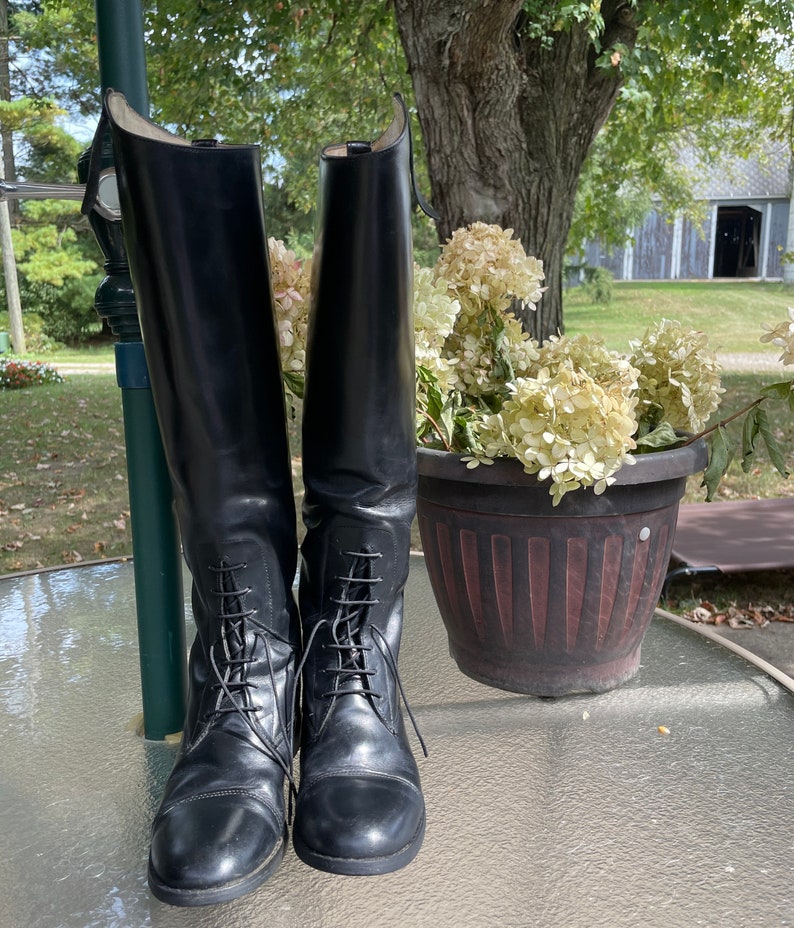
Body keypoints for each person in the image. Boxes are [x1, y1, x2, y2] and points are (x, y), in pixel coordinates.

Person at [92, 90, 426, 907]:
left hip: (353, 670)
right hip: (235, 680)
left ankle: (345, 670)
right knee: (228, 515)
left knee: (361, 506)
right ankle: (251, 683)